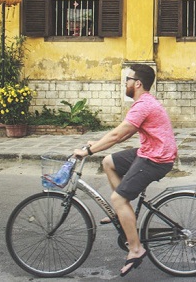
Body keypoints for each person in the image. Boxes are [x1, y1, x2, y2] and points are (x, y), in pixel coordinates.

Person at [73, 63, 177, 277]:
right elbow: (124, 132)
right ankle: (125, 213)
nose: (125, 83)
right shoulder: (143, 103)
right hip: (150, 151)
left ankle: (136, 249)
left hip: (156, 158)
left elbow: (117, 136)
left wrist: (89, 150)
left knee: (118, 199)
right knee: (109, 162)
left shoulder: (143, 105)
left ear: (137, 83)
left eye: (127, 80)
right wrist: (98, 143)